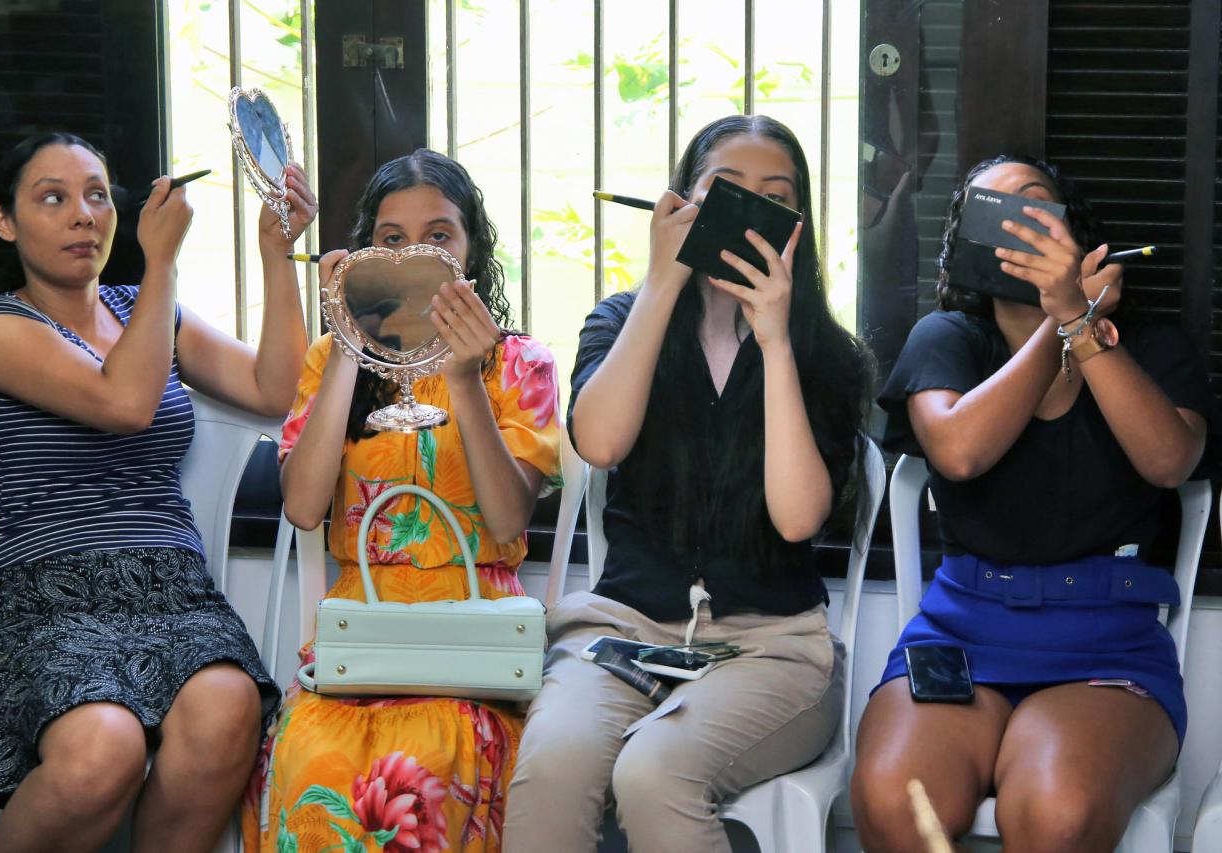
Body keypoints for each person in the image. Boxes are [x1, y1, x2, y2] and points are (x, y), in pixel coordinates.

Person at [501, 115, 873, 853]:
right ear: (680, 200)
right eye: (724, 189)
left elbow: (798, 519)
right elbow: (600, 441)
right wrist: (664, 280)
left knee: (655, 771)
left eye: (776, 197)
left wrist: (773, 339)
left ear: (797, 227)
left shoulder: (828, 355)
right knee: (553, 765)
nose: (749, 209)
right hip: (624, 630)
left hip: (773, 648)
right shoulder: (621, 320)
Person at [0, 131, 315, 851]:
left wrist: (277, 253)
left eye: (97, 195)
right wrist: (163, 264)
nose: (83, 215)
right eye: (52, 198)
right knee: (103, 748)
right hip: (44, 598)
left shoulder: (143, 310)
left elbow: (277, 388)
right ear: (4, 221)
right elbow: (124, 403)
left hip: (171, 588)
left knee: (228, 710)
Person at [850, 155, 1212, 852]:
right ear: (964, 247)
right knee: (896, 804)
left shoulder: (1153, 347)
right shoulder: (948, 338)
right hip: (959, 636)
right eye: (991, 212)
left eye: (1035, 205)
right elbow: (959, 452)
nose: (1015, 224)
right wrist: (1064, 320)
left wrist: (1079, 319)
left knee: (1056, 815)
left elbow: (1169, 461)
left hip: (1107, 642)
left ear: (1077, 236)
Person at [245, 149, 561, 853]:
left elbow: (508, 518)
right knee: (309, 761)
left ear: (471, 252)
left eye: (438, 235)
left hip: (476, 642)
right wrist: (350, 340)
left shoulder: (518, 363)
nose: (414, 255)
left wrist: (464, 379)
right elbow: (302, 507)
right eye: (392, 239)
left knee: (424, 766)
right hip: (360, 636)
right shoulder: (331, 360)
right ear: (367, 256)